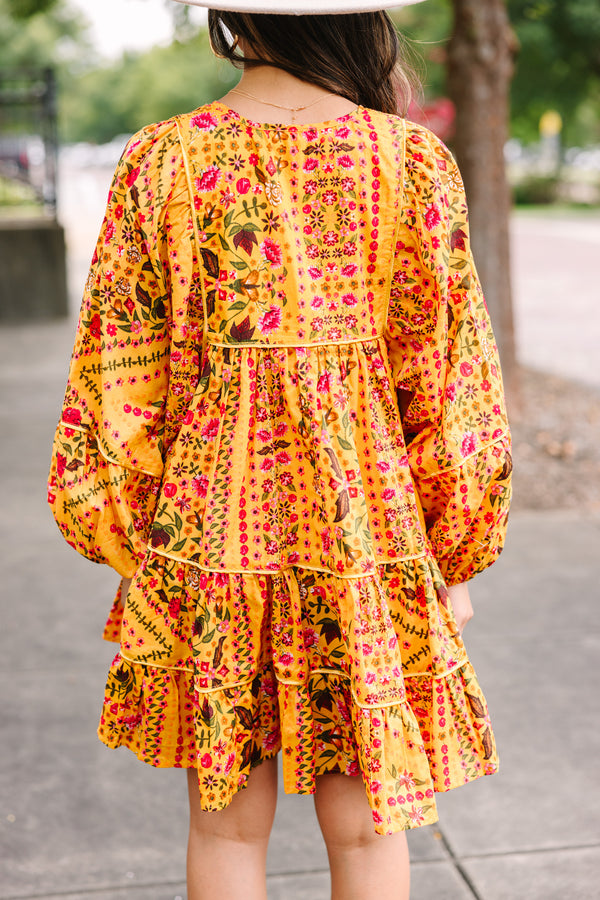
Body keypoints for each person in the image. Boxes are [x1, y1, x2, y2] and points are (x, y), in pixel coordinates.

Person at [47, 2, 512, 898]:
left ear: (228, 17)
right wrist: (456, 546)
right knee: (370, 826)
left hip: (210, 537)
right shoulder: (409, 161)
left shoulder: (162, 161)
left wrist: (133, 536)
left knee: (223, 830)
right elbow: (450, 384)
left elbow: (117, 388)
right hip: (365, 537)